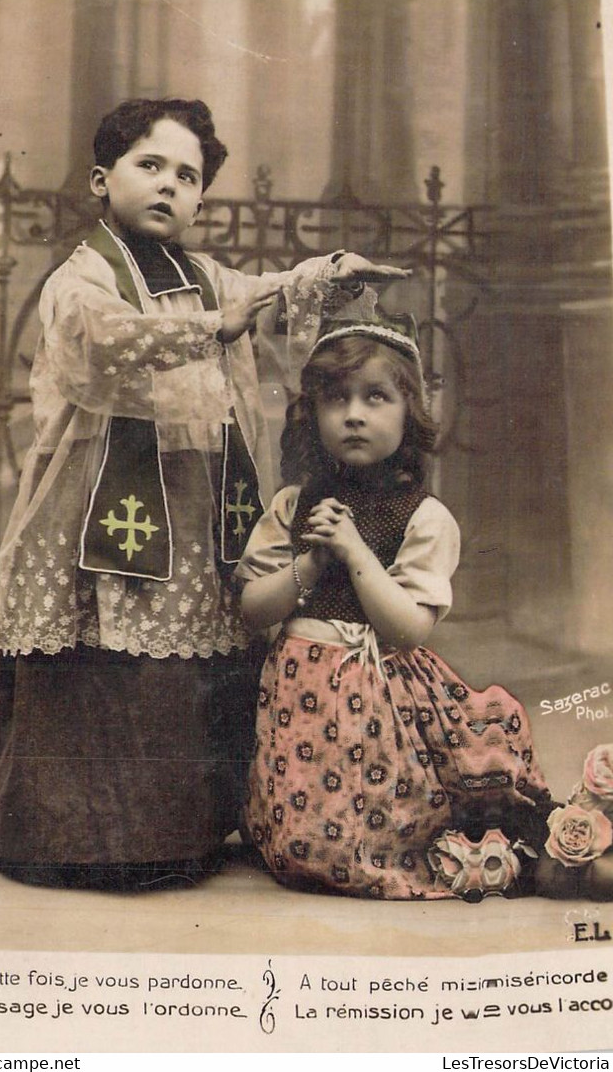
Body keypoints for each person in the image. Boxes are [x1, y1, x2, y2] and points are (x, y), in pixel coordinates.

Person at [0, 97, 410, 890]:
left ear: (201, 201)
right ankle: (72, 837)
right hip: (98, 498)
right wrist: (212, 327)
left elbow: (268, 293)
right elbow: (100, 341)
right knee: (97, 645)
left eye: (187, 176)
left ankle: (177, 830)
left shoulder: (205, 274)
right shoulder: (82, 274)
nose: (168, 186)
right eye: (150, 166)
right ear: (102, 178)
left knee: (183, 652)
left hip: (192, 495)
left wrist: (327, 271)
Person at [235, 304, 554, 901]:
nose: (354, 415)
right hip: (298, 695)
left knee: (366, 837)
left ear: (410, 410)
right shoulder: (294, 504)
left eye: (376, 398)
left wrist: (353, 550)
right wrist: (310, 562)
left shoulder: (425, 517)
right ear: (314, 415)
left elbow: (407, 629)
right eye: (337, 399)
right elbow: (253, 609)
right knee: (301, 845)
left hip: (383, 695)